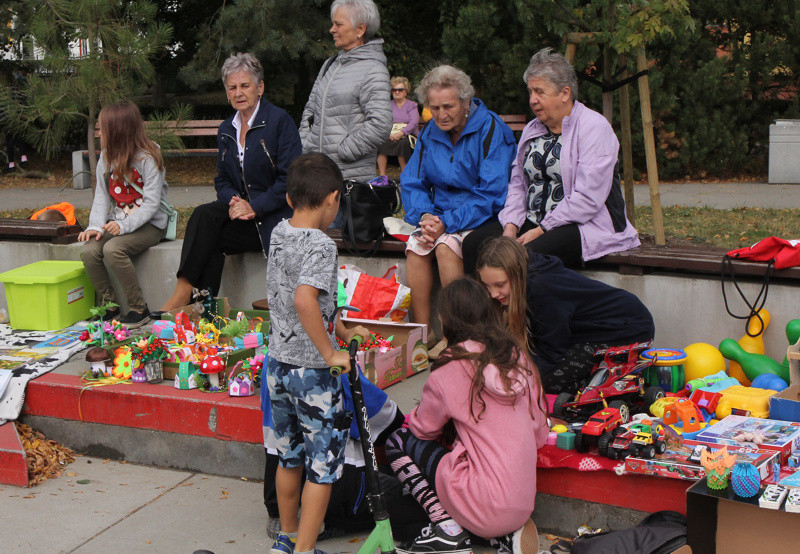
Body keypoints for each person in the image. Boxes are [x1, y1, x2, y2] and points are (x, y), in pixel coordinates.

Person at [385, 277, 548, 554]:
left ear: (446, 319)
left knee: (398, 440)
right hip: (522, 506)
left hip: (482, 500)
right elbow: (540, 434)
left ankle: (447, 530)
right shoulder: (517, 356)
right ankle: (501, 536)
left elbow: (423, 429)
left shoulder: (454, 363)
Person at [265, 152, 369, 554]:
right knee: (322, 469)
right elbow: (306, 299)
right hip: (311, 374)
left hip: (278, 366)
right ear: (333, 198)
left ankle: (287, 537)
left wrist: (341, 330)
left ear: (290, 199)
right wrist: (331, 353)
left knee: (289, 457)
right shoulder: (322, 245)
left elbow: (307, 302)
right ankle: (306, 550)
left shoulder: (279, 231)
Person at [461, 47, 640, 273]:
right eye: (530, 92)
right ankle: (483, 308)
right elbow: (517, 184)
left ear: (565, 93)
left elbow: (587, 198)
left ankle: (518, 309)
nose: (532, 100)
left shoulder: (594, 127)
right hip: (535, 219)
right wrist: (510, 226)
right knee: (473, 245)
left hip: (583, 224)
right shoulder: (532, 130)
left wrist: (542, 229)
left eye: (539, 92)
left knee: (524, 258)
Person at [158, 53, 301, 313]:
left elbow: (290, 180)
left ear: (260, 87)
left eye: (245, 85)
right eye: (232, 87)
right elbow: (221, 179)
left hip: (273, 221)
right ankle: (203, 310)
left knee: (208, 230)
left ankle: (184, 300)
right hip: (243, 218)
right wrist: (234, 201)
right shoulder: (226, 128)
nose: (238, 92)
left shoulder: (280, 122)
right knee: (205, 221)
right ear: (226, 92)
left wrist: (254, 206)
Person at [401, 65, 515, 341]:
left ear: (466, 101)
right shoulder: (430, 133)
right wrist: (424, 215)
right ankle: (421, 334)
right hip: (439, 216)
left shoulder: (491, 129)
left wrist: (447, 223)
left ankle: (456, 336)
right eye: (434, 107)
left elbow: (491, 193)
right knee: (416, 248)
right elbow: (411, 181)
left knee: (445, 247)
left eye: (448, 106)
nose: (440, 115)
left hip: (479, 216)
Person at [262, 366, 427, 541]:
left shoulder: (272, 360)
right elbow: (381, 415)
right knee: (416, 502)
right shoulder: (333, 365)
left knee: (292, 463)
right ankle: (322, 523)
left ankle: (287, 526)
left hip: (282, 476)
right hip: (338, 486)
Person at [476, 237, 654, 394]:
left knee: (545, 382)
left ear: (517, 273)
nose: (493, 294)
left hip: (628, 329)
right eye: (488, 286)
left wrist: (513, 373)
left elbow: (551, 353)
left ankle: (603, 388)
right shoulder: (528, 282)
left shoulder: (542, 289)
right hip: (587, 333)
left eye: (500, 285)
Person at [79, 101, 169, 325]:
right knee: (89, 251)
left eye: (102, 129)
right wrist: (94, 226)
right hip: (119, 222)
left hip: (151, 224)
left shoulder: (149, 156)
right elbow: (102, 196)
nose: (98, 134)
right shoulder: (107, 156)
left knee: (113, 249)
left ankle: (140, 309)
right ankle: (110, 307)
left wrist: (124, 226)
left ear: (118, 130)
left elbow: (151, 204)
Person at [299, 0, 392, 185]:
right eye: (333, 23)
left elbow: (380, 124)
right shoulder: (330, 65)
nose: (332, 29)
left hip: (347, 181)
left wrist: (343, 151)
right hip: (316, 174)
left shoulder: (373, 69)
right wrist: (305, 145)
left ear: (360, 29)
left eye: (338, 24)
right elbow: (310, 110)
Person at [377, 76, 419, 174]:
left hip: (408, 135)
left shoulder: (411, 105)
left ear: (406, 92)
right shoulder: (388, 105)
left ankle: (404, 175)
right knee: (380, 143)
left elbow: (413, 123)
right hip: (391, 134)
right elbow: (384, 121)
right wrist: (388, 134)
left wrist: (401, 133)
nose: (397, 92)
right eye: (394, 90)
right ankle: (382, 176)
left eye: (400, 90)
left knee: (402, 145)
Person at [3, 69, 30, 174]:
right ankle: (24, 159)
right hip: (19, 118)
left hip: (8, 119)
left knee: (9, 141)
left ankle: (11, 165)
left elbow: (4, 107)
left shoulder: (6, 91)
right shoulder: (19, 90)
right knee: (19, 139)